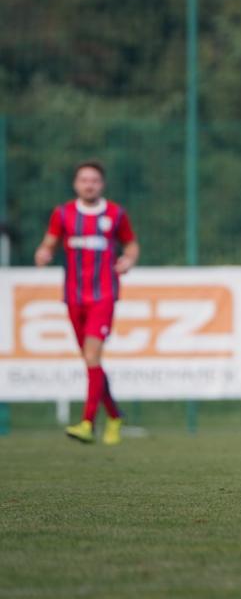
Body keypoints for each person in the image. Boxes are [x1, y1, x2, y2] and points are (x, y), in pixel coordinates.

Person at [34, 161, 139, 445]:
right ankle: (115, 416)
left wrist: (128, 259)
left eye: (94, 180)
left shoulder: (115, 214)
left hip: (103, 296)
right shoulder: (63, 214)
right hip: (73, 297)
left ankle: (87, 423)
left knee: (92, 357)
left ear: (101, 185)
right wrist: (43, 253)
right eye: (84, 180)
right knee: (91, 361)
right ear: (76, 184)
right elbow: (49, 243)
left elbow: (130, 244)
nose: (89, 184)